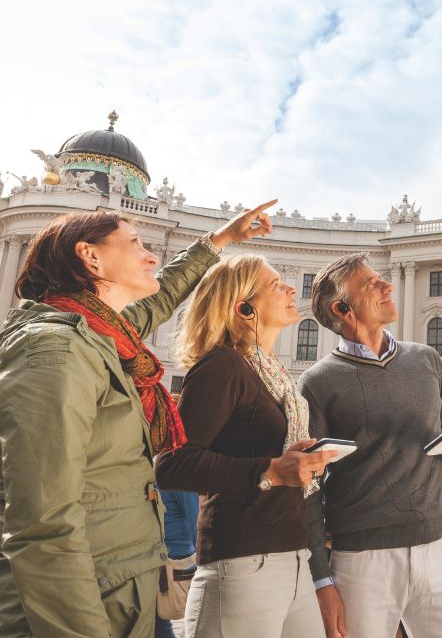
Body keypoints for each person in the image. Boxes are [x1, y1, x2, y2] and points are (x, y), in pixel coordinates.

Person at [0, 201, 275, 637]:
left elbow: (162, 297)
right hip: (70, 609)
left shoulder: (100, 331)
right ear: (91, 255)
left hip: (115, 590)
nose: (152, 255)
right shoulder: (53, 350)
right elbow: (43, 525)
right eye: (136, 243)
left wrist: (220, 240)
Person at [298, 253, 442, 638]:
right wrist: (320, 579)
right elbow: (307, 486)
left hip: (438, 550)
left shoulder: (426, 359)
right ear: (342, 309)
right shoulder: (318, 381)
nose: (388, 286)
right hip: (362, 560)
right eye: (371, 284)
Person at [155, 254, 333, 638]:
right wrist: (270, 471)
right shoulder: (221, 366)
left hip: (294, 557)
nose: (290, 289)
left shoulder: (272, 372)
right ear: (244, 308)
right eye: (275, 284)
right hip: (241, 563)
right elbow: (171, 464)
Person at [155, 490, 200, 638]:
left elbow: (196, 517)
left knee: (161, 619)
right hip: (157, 556)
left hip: (174, 559)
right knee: (158, 619)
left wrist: (203, 559)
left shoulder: (173, 473)